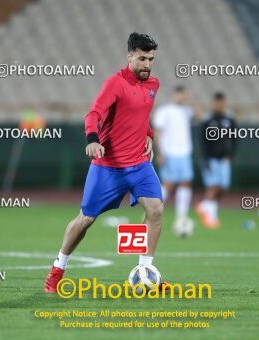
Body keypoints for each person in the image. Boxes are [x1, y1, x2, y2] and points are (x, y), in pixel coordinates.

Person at [44, 32, 167, 293]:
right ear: (130, 56)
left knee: (156, 210)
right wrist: (92, 139)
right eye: (142, 58)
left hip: (140, 164)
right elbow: (94, 114)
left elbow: (142, 115)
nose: (147, 64)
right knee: (85, 220)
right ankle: (57, 269)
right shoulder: (115, 83)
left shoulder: (153, 84)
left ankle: (145, 272)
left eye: (151, 59)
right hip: (108, 166)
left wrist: (149, 136)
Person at [152, 86, 200, 233]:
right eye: (180, 95)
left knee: (185, 183)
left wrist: (190, 100)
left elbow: (199, 115)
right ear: (174, 95)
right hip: (170, 152)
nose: (181, 97)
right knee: (169, 184)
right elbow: (157, 132)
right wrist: (160, 152)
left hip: (184, 152)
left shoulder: (186, 110)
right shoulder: (164, 110)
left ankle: (181, 217)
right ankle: (152, 211)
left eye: (183, 95)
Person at [196, 93, 236, 229]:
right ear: (213, 104)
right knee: (212, 186)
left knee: (223, 187)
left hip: (224, 159)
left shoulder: (229, 119)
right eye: (217, 103)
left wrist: (231, 155)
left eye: (222, 103)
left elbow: (234, 138)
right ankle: (211, 217)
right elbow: (203, 141)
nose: (220, 105)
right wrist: (206, 158)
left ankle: (204, 206)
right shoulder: (208, 120)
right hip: (211, 159)